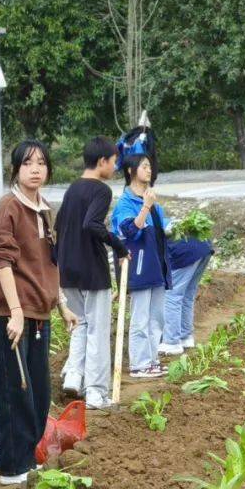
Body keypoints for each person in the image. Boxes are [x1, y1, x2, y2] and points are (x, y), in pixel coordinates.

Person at [0, 140, 78, 485]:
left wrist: (62, 305)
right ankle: (13, 467)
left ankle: (28, 457)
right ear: (16, 170)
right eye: (27, 163)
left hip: (39, 313)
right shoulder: (7, 208)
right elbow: (2, 260)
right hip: (12, 316)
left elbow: (49, 265)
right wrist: (15, 311)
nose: (35, 169)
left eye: (41, 163)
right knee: (14, 390)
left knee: (38, 391)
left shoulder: (44, 209)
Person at [55, 136, 129, 408]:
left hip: (68, 269)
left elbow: (60, 224)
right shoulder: (101, 190)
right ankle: (97, 392)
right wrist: (119, 246)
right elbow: (92, 224)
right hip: (92, 269)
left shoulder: (72, 189)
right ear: (102, 162)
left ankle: (73, 377)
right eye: (113, 161)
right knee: (97, 329)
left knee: (80, 324)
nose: (115, 166)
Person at [112, 153, 170, 379]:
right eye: (144, 166)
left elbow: (160, 230)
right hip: (138, 267)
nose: (149, 170)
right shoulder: (126, 203)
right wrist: (145, 207)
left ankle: (152, 359)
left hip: (156, 266)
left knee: (157, 317)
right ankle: (139, 363)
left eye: (150, 167)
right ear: (130, 170)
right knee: (140, 318)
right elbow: (129, 231)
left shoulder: (152, 201)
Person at [160, 226, 214, 356]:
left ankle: (171, 342)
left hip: (184, 250)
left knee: (172, 295)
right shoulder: (155, 213)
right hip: (203, 246)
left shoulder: (139, 225)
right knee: (187, 294)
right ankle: (185, 337)